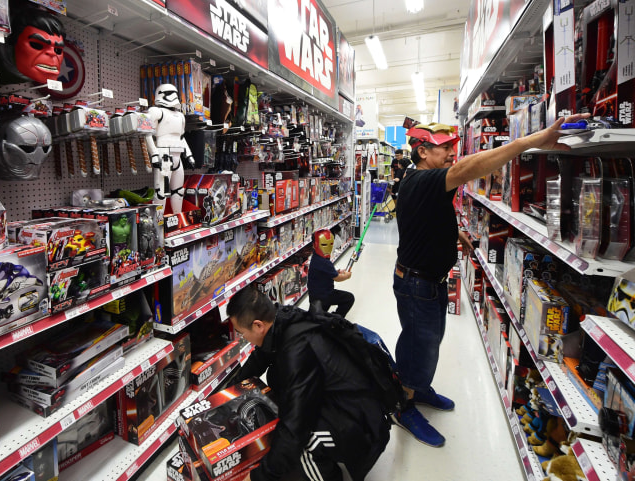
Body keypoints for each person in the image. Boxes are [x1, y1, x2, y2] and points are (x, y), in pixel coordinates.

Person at [391, 114, 588, 448]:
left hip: (428, 280)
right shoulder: (422, 180)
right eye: (444, 148)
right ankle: (402, 404)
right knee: (418, 346)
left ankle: (418, 387)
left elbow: (431, 215)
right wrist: (528, 141)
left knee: (429, 342)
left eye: (454, 147)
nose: (452, 153)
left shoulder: (426, 183)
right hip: (417, 284)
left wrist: (456, 236)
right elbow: (469, 168)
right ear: (422, 151)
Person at [228, 287, 390, 481]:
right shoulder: (282, 320)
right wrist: (227, 393)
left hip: (360, 420)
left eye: (241, 333)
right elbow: (259, 358)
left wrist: (258, 477)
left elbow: (295, 426)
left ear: (257, 326)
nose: (242, 338)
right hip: (339, 398)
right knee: (278, 383)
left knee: (304, 442)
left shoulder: (297, 350)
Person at [307, 229, 354, 318]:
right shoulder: (324, 261)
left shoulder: (316, 257)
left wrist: (337, 271)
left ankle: (321, 316)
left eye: (331, 244)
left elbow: (325, 272)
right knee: (349, 298)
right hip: (324, 295)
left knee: (318, 317)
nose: (328, 247)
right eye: (324, 244)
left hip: (315, 295)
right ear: (314, 245)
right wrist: (346, 276)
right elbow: (337, 278)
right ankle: (335, 319)